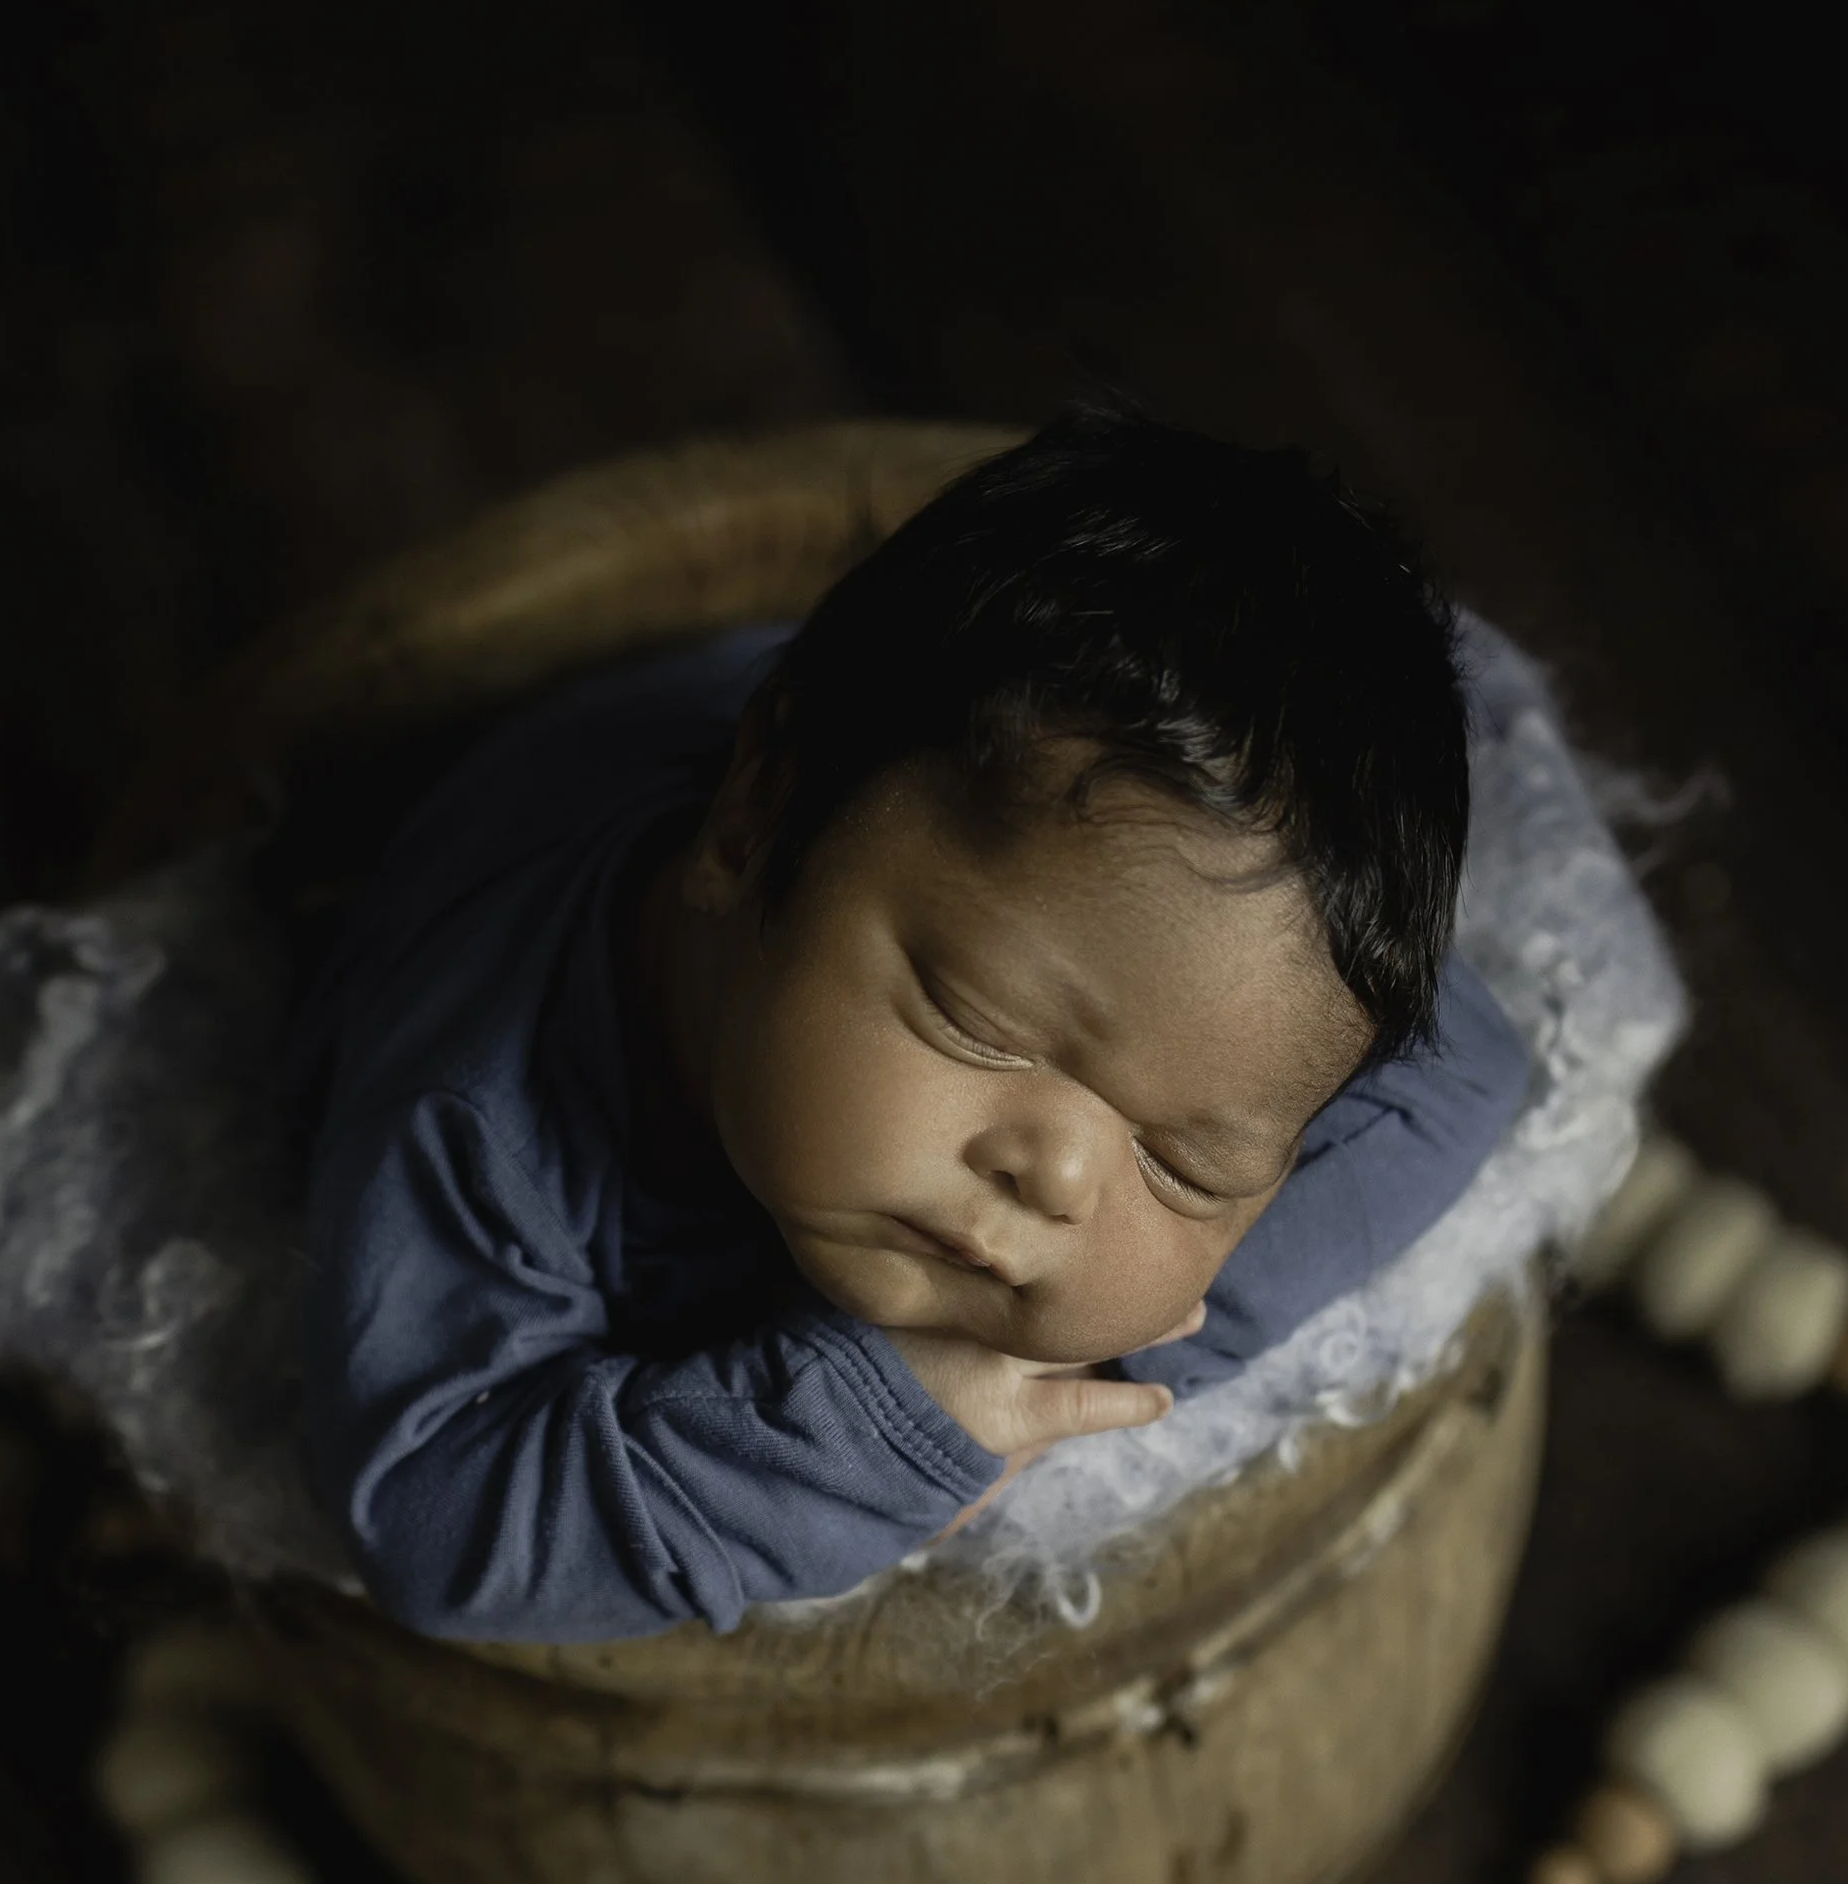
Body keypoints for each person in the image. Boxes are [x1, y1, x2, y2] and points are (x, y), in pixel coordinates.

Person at [296, 412, 1528, 1642]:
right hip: (660, 758)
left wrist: (1057, 1381)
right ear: (749, 830)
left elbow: (1460, 1076)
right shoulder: (479, 1113)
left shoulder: (1190, 1001)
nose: (1055, 1173)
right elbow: (425, 1523)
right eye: (978, 1022)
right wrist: (857, 1430)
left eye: (1183, 1160)